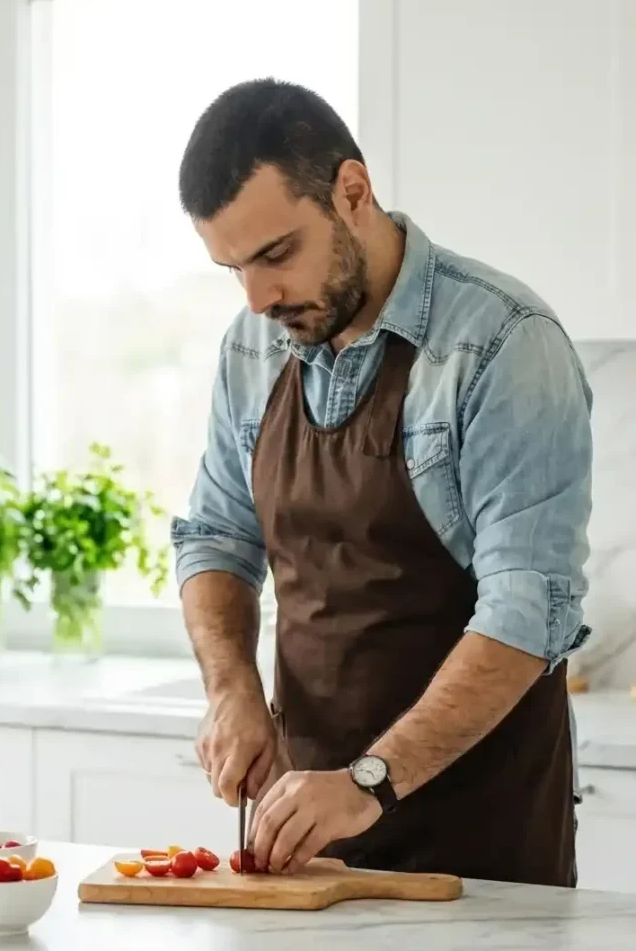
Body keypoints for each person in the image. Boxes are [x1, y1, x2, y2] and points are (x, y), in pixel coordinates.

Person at [172, 78, 593, 886]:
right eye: (232, 269)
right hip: (306, 837)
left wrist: (370, 780)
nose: (258, 298)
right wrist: (232, 691)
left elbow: (528, 605)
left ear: (352, 192)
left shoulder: (502, 345)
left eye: (275, 254)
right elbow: (216, 539)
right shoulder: (252, 348)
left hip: (481, 845)